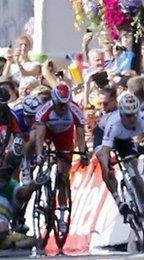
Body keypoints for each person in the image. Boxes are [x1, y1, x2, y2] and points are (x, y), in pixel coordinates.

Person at [95, 92, 144, 226]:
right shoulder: (113, 124)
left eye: (134, 114)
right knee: (104, 164)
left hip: (124, 138)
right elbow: (105, 151)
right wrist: (107, 167)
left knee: (133, 167)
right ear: (121, 113)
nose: (132, 118)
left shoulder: (142, 118)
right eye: (129, 116)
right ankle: (119, 201)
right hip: (103, 135)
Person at [34, 84, 88, 234]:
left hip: (64, 136)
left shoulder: (75, 109)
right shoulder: (45, 111)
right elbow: (39, 137)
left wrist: (82, 153)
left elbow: (80, 134)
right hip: (47, 133)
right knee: (36, 147)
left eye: (66, 105)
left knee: (63, 177)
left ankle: (62, 216)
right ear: (53, 101)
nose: (63, 108)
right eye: (60, 105)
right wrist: (39, 155)